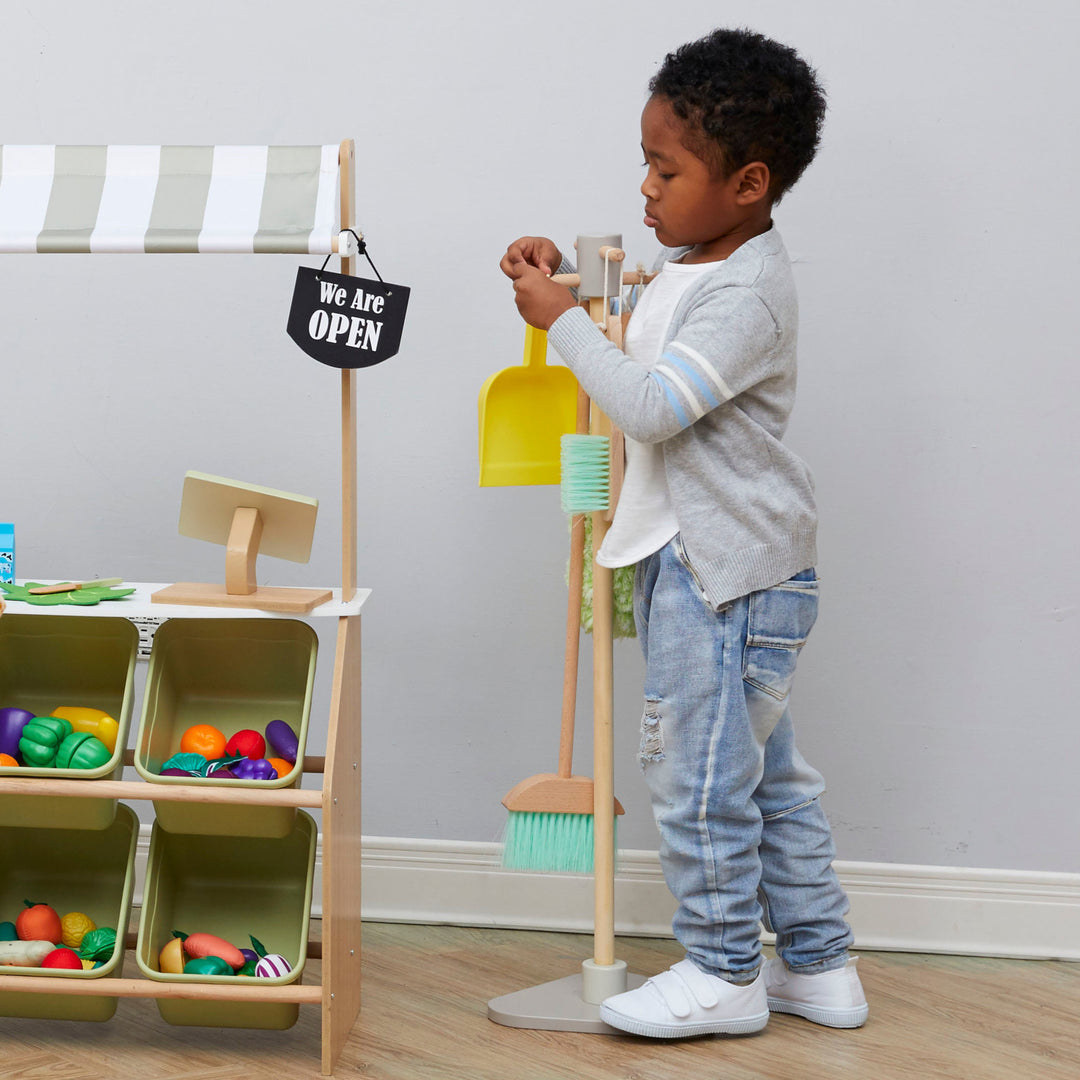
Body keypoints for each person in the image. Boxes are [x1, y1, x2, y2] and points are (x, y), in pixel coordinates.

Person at [499, 27, 868, 1039]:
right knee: (766, 776)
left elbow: (653, 405)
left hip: (728, 577)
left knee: (696, 778)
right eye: (646, 164)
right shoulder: (696, 267)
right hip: (715, 565)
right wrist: (563, 287)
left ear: (749, 182)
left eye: (668, 169)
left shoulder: (746, 292)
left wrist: (558, 327)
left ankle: (724, 969)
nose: (647, 188)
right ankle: (820, 966)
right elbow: (638, 333)